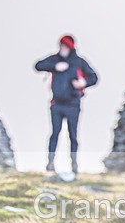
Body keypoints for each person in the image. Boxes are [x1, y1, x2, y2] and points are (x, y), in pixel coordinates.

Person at [34, 35, 98, 174]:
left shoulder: (79, 62)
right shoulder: (55, 59)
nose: (63, 48)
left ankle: (74, 166)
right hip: (56, 104)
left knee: (73, 136)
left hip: (73, 104)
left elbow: (94, 77)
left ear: (71, 47)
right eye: (61, 45)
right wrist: (55, 66)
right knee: (55, 134)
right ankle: (50, 164)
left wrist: (84, 83)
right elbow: (38, 65)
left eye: (65, 46)